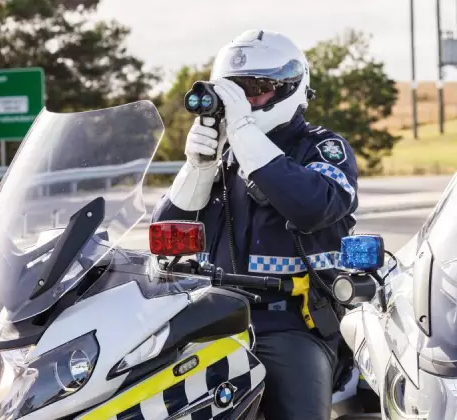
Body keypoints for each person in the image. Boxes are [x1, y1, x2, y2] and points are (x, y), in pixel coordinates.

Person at [151, 29, 359, 420]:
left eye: (257, 88)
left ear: (291, 87)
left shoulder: (322, 148)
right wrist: (197, 170)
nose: (245, 102)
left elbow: (313, 207)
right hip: (209, 318)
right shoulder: (223, 155)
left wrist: (244, 134)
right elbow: (166, 241)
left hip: (290, 323)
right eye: (234, 90)